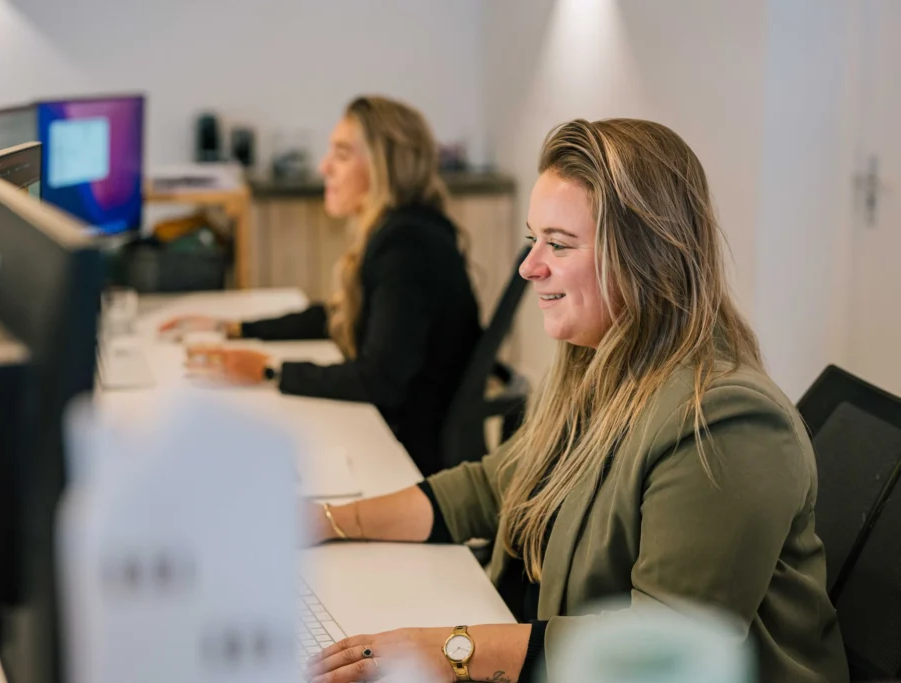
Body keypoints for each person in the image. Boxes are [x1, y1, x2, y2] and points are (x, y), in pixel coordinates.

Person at [303, 119, 849, 683]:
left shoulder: (724, 422)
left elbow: (662, 650)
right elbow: (495, 484)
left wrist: (447, 653)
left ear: (645, 256)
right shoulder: (595, 361)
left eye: (558, 244)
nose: (529, 266)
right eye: (532, 239)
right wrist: (329, 521)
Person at [161, 96, 481, 477]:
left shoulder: (406, 246)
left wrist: (269, 371)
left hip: (407, 461)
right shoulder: (406, 230)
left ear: (385, 167)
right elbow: (339, 315)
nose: (323, 166)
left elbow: (379, 381)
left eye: (342, 154)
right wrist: (234, 329)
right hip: (394, 435)